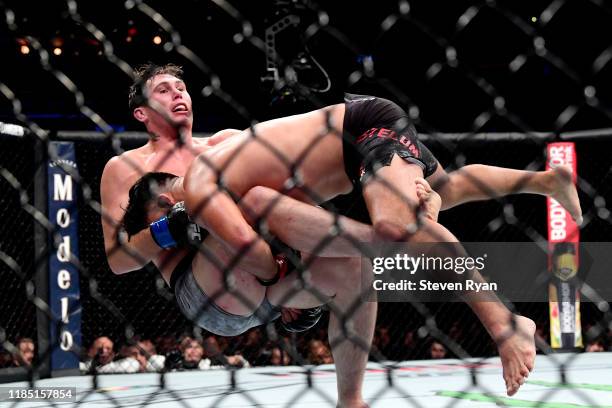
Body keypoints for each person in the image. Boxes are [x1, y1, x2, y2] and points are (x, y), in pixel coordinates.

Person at [100, 63, 582, 400]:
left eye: (180, 87)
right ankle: (456, 264)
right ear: (141, 112)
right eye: (162, 90)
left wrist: (293, 255)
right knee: (414, 212)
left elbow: (283, 213)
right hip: (205, 283)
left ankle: (351, 395)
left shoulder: (221, 148)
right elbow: (119, 259)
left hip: (311, 198)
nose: (178, 94)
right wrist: (175, 226)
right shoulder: (129, 168)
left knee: (404, 220)